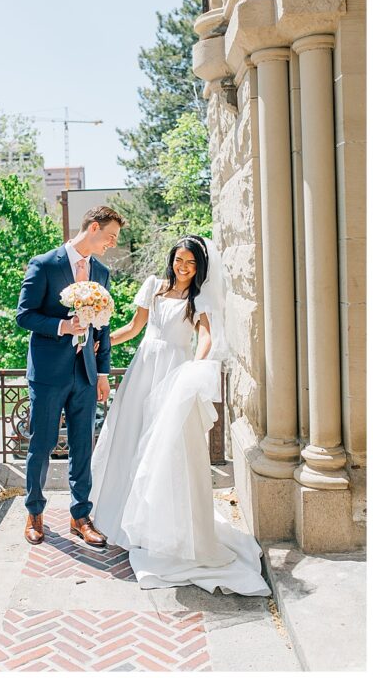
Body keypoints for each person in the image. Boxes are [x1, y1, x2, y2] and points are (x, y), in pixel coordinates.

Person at [89, 235, 269, 596]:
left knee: (168, 448)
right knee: (131, 436)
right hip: (144, 368)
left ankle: (165, 526)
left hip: (175, 370)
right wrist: (102, 345)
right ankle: (122, 521)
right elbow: (134, 328)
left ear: (199, 267)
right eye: (179, 260)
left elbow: (205, 336)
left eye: (190, 263)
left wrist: (196, 367)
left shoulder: (197, 297)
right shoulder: (153, 287)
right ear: (171, 259)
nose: (183, 267)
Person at [16, 206, 123, 547]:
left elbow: (103, 327)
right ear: (93, 227)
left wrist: (103, 372)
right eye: (110, 236)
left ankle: (81, 516)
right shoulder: (45, 264)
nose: (112, 244)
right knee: (42, 444)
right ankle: (35, 512)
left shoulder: (101, 273)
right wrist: (62, 326)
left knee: (82, 446)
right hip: (48, 373)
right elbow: (24, 315)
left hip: (85, 374)